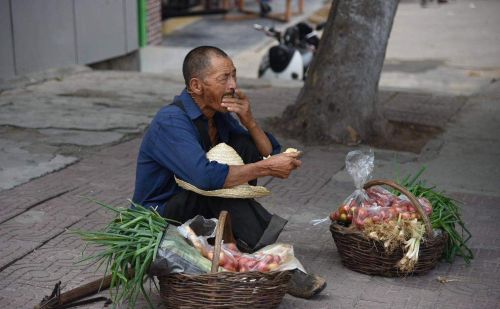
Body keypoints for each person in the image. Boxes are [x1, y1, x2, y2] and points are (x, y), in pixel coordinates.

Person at [132, 45, 326, 298]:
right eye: (224, 78)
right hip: (159, 213)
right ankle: (280, 266)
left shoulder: (218, 115)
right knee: (217, 189)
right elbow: (205, 177)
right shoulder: (170, 121)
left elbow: (266, 151)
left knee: (243, 145)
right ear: (196, 86)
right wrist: (267, 167)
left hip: (195, 205)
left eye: (234, 75)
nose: (233, 85)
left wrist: (250, 121)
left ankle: (247, 247)